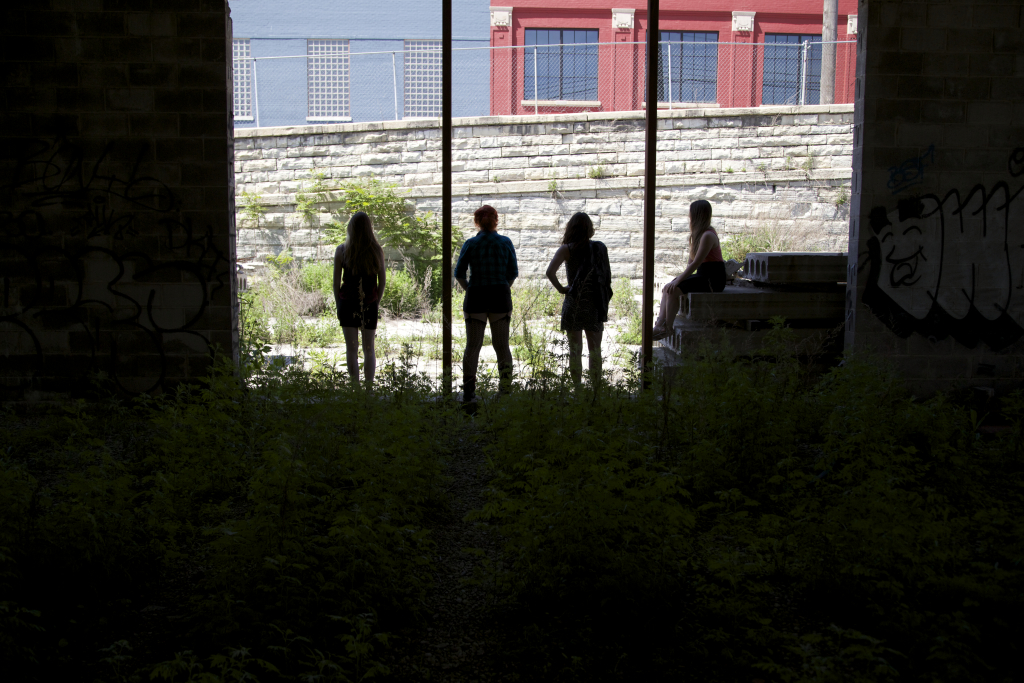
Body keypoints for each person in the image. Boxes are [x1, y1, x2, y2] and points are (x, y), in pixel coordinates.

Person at [454, 205, 518, 403]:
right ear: (496, 220)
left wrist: (470, 289)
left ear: (477, 222)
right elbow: (512, 272)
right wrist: (502, 286)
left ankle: (469, 394)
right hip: (500, 296)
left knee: (472, 347)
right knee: (502, 346)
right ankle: (505, 391)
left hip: (476, 297)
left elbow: (459, 273)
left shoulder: (471, 244)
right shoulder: (505, 242)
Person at [545, 212, 612, 386]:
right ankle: (595, 391)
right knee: (595, 350)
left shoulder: (566, 249)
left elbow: (549, 272)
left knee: (574, 351)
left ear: (571, 228)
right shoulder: (599, 248)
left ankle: (578, 392)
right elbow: (606, 278)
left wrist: (562, 289)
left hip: (573, 302)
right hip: (594, 304)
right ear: (589, 229)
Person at [652, 199, 725, 340]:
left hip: (713, 278)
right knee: (668, 287)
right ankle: (660, 323)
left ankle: (667, 328)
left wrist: (679, 281)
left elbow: (696, 263)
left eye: (690, 214)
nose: (689, 217)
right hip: (703, 275)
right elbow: (690, 263)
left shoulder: (708, 235)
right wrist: (677, 280)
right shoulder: (696, 236)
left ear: (696, 216)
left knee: (673, 290)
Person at [333, 211, 386, 389]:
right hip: (369, 303)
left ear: (351, 227)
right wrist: (375, 301)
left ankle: (355, 389)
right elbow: (382, 281)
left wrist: (338, 304)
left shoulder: (341, 250)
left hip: (347, 303)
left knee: (351, 349)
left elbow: (336, 283)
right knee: (369, 349)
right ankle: (369, 390)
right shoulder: (376, 251)